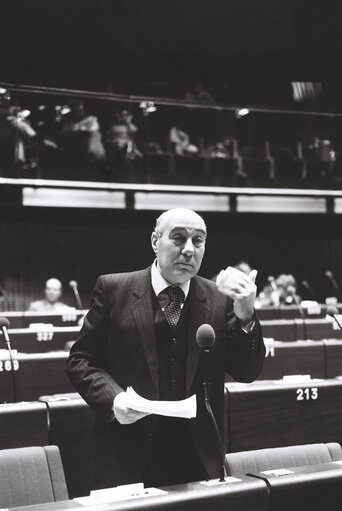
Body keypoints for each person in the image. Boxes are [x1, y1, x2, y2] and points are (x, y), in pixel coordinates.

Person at [66, 208, 265, 489]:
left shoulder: (220, 300)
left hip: (198, 457)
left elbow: (247, 371)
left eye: (198, 241)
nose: (188, 250)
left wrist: (246, 316)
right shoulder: (114, 289)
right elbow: (81, 360)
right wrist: (113, 400)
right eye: (178, 238)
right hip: (127, 454)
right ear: (154, 241)